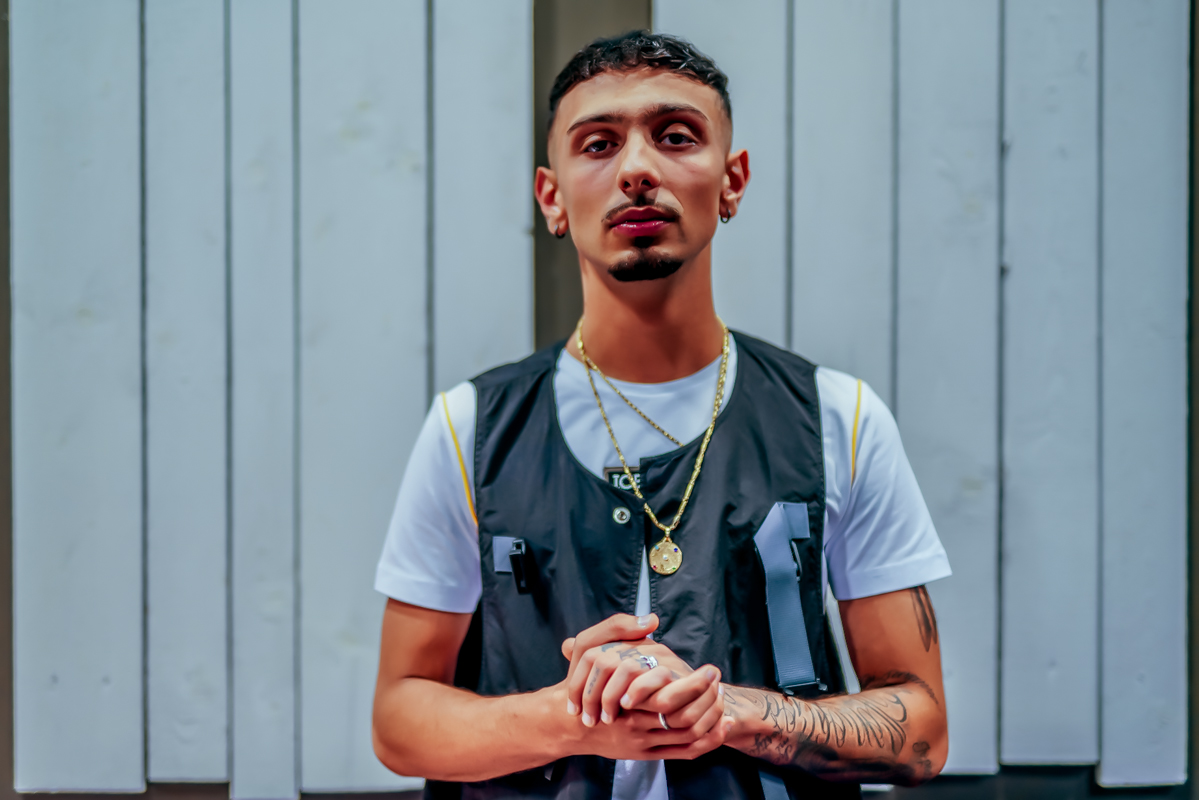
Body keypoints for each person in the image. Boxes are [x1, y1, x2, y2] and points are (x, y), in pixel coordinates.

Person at [372, 31, 951, 799]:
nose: (637, 170)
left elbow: (921, 729)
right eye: (598, 144)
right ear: (551, 197)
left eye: (675, 136)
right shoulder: (469, 427)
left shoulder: (837, 419)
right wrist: (571, 717)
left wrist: (726, 710)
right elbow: (399, 719)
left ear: (732, 180)